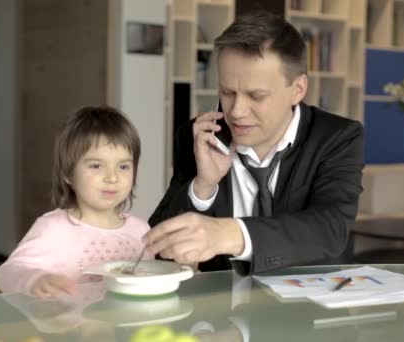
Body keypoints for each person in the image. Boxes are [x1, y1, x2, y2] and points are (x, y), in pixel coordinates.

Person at [147, 11, 364, 274]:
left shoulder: (336, 138)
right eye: (227, 93)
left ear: (298, 89)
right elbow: (156, 252)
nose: (237, 111)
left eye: (256, 96)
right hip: (221, 308)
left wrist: (226, 234)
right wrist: (203, 187)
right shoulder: (198, 137)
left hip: (309, 307)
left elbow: (329, 229)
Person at [0, 106, 151, 298]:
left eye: (123, 166)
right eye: (96, 165)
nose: (112, 177)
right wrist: (36, 279)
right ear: (67, 174)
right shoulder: (53, 228)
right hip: (70, 326)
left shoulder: (141, 231)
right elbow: (9, 272)